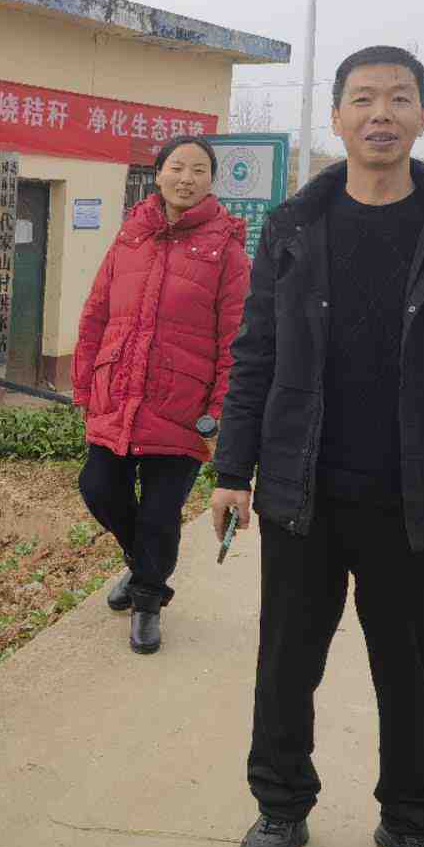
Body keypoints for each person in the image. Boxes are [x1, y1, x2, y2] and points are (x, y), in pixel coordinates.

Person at [210, 45, 424, 847]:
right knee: (286, 664)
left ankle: (411, 822)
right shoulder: (293, 226)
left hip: (415, 496)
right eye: (364, 99)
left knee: (410, 671)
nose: (381, 114)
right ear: (338, 117)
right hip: (303, 489)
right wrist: (232, 469)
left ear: (423, 115)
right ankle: (281, 809)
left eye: (399, 98)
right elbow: (255, 352)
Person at [72, 135, 250, 654]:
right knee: (98, 487)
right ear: (158, 174)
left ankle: (148, 601)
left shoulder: (227, 251)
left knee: (159, 512)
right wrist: (85, 387)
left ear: (211, 181)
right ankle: (140, 566)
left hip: (183, 407)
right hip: (118, 396)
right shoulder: (130, 237)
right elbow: (96, 315)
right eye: (177, 167)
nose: (186, 179)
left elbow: (236, 341)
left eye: (198, 170)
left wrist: (219, 412)